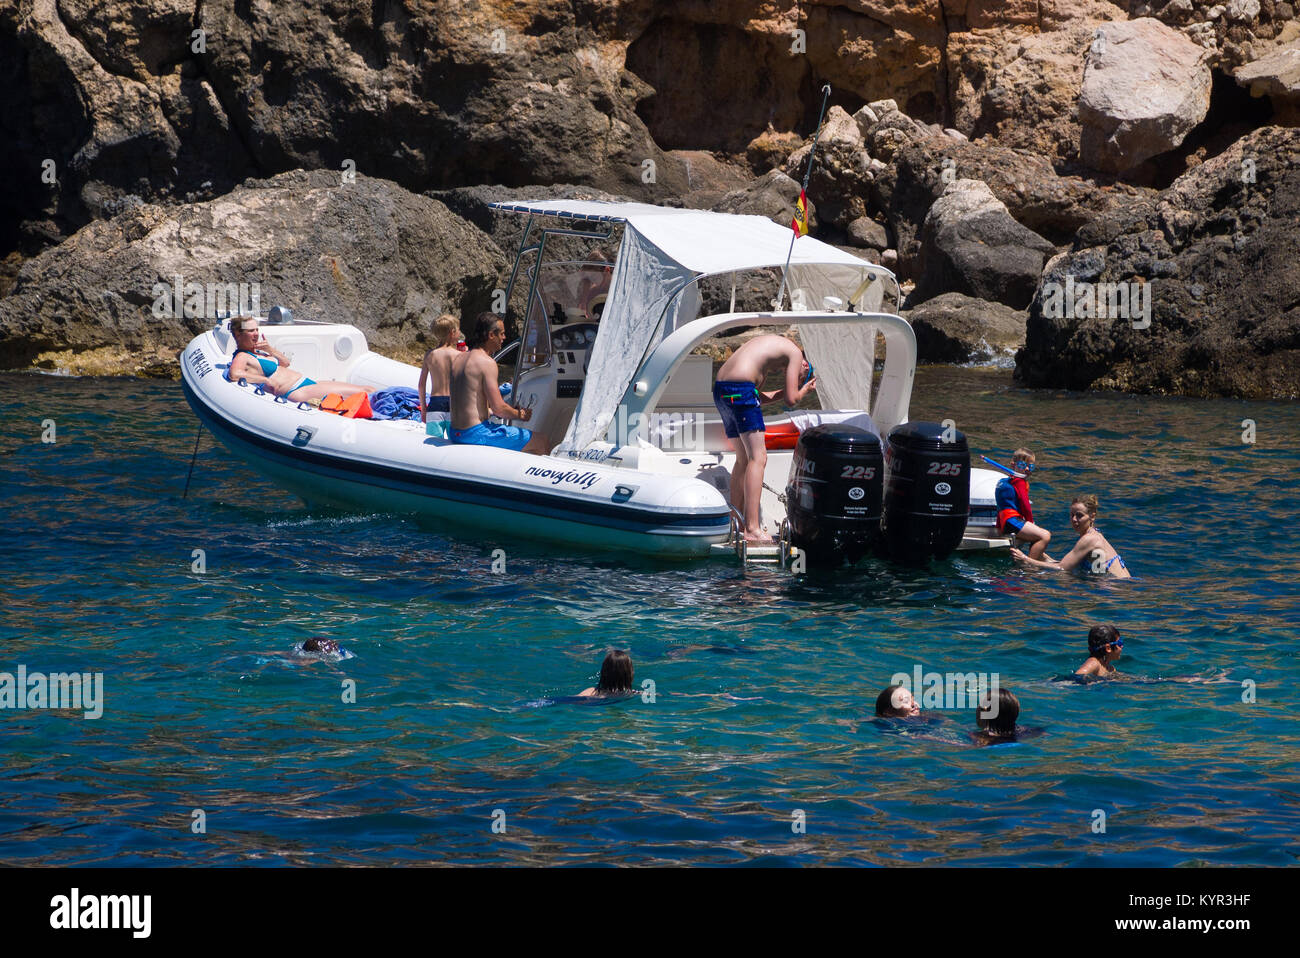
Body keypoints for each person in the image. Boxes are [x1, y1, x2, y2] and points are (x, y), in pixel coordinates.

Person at [713, 334, 816, 542]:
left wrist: (786, 391)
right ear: (804, 366)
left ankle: (737, 521)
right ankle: (752, 529)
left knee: (743, 460)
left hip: (722, 392)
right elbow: (791, 399)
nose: (790, 376)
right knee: (758, 458)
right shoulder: (796, 353)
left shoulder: (766, 352)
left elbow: (756, 398)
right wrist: (804, 389)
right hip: (740, 390)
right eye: (798, 377)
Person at [449, 313, 549, 454]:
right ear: (491, 335)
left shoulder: (458, 359)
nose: (504, 338)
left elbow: (470, 401)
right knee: (541, 441)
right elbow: (499, 409)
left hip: (455, 432)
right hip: (475, 433)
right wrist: (520, 414)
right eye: (501, 334)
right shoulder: (487, 362)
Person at [226, 316, 372, 403]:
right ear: (238, 334)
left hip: (305, 383)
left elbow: (285, 363)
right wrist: (265, 380)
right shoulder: (242, 356)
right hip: (296, 390)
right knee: (365, 391)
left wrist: (269, 350)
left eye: (257, 329)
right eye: (251, 331)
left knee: (366, 391)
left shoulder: (259, 352)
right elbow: (235, 374)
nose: (256, 334)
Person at [1010, 494, 1131, 578]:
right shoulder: (1094, 534)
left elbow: (1062, 568)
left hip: (1115, 589)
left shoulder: (1089, 539)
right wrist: (1042, 556)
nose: (1074, 519)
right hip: (1115, 587)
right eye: (1072, 515)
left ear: (1092, 516)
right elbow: (1066, 565)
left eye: (1079, 515)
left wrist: (1025, 559)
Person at [995, 448, 1051, 559]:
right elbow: (1025, 505)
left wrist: (999, 526)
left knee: (1037, 536)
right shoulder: (1019, 482)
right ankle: (1029, 565)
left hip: (1005, 522)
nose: (1026, 469)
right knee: (1045, 536)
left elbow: (1000, 506)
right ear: (1012, 465)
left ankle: (1040, 557)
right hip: (1012, 521)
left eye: (1030, 467)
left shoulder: (1003, 482)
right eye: (1022, 465)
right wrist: (1030, 522)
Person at [417, 314, 462, 423]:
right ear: (452, 332)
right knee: (454, 439)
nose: (460, 334)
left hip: (435, 403)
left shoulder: (430, 355)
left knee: (433, 439)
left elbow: (421, 385)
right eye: (459, 331)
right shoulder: (459, 355)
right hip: (454, 403)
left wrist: (423, 410)